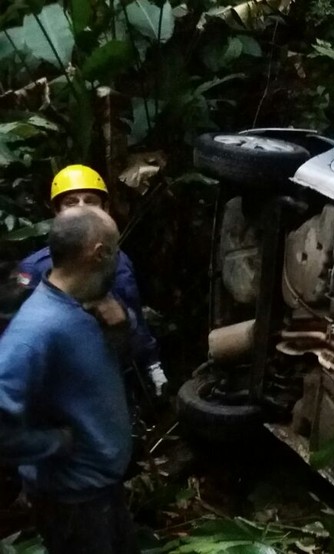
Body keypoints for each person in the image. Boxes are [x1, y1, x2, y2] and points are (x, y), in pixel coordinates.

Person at [0, 206, 138, 554]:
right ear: (100, 253)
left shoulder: (84, 306)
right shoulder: (38, 327)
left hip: (102, 492)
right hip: (74, 504)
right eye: (116, 248)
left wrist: (124, 326)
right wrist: (51, 444)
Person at [16, 165, 167, 397]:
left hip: (109, 375)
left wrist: (152, 366)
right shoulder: (35, 269)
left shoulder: (118, 261)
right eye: (71, 202)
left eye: (90, 200)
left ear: (105, 208)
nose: (82, 209)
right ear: (57, 211)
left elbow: (133, 313)